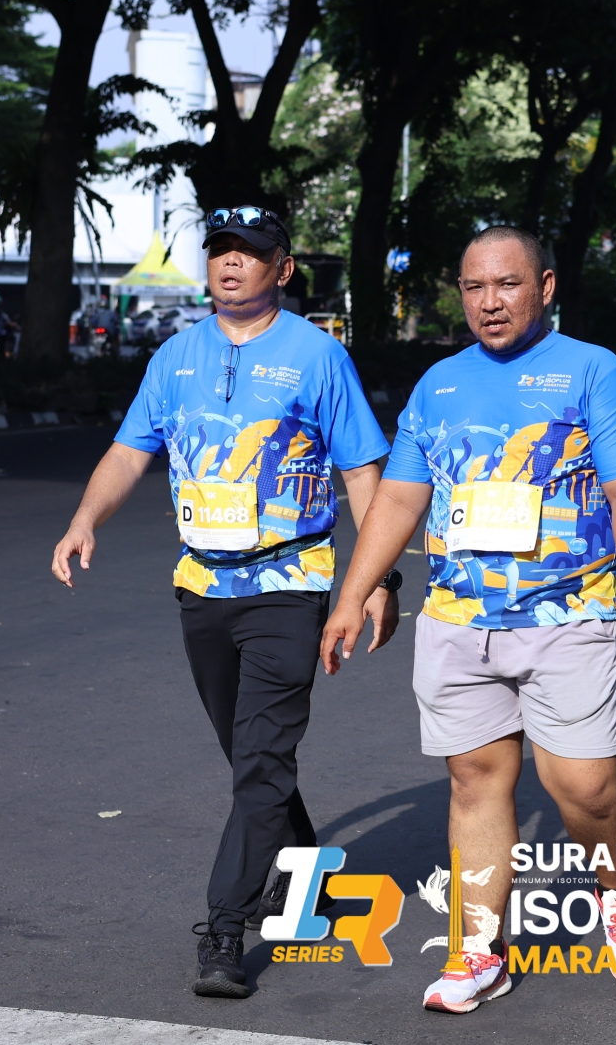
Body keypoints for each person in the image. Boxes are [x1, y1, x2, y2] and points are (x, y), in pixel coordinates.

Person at [320, 225, 616, 1013]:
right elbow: (401, 498)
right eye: (475, 287)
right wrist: (353, 593)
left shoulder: (594, 371)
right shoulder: (439, 384)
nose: (490, 302)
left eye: (508, 284)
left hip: (568, 615)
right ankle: (480, 952)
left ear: (544, 288)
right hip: (457, 621)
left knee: (583, 786)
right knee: (475, 782)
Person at [50, 206, 396, 1000]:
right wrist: (84, 519)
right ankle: (306, 872)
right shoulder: (175, 356)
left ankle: (225, 927)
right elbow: (129, 451)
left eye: (251, 252)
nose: (232, 263)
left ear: (284, 269)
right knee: (250, 757)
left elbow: (361, 472)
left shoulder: (318, 356)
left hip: (288, 583)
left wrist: (375, 579)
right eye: (221, 251)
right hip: (202, 585)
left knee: (263, 758)